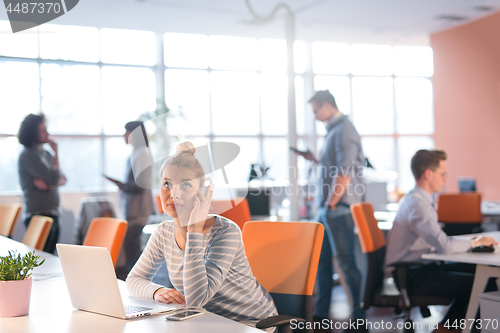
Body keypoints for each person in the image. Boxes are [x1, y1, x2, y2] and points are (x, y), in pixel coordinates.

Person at [126, 141, 277, 328]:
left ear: (203, 191)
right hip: (206, 321)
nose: (174, 193)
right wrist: (156, 291)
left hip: (250, 322)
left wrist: (194, 230)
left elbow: (197, 298)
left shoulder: (225, 232)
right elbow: (133, 280)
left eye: (186, 185)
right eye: (167, 184)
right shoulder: (163, 232)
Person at [385, 149, 498, 333]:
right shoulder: (418, 205)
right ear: (428, 174)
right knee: (484, 284)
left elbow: (439, 240)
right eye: (443, 174)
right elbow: (444, 245)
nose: (445, 179)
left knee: (482, 276)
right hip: (413, 276)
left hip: (418, 269)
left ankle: (445, 329)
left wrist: (474, 242)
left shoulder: (418, 200)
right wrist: (475, 242)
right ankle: (449, 330)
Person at [295, 90, 366, 331]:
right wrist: (315, 161)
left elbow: (345, 171)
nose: (315, 116)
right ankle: (320, 316)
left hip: (337, 208)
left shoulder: (344, 129)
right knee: (322, 264)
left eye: (316, 110)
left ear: (327, 105)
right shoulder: (334, 131)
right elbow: (334, 166)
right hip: (327, 208)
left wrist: (332, 202)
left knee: (346, 265)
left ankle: (359, 319)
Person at [105, 121, 155, 280]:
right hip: (133, 209)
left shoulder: (142, 153)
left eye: (126, 132)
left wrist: (122, 185)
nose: (123, 136)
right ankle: (137, 281)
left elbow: (142, 184)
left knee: (132, 248)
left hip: (138, 210)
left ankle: (137, 282)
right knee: (132, 247)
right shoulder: (135, 153)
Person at [18, 113, 66, 254]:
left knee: (50, 257)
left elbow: (62, 178)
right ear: (33, 133)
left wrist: (50, 185)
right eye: (43, 130)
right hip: (38, 213)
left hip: (53, 211)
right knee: (41, 258)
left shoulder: (46, 154)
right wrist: (54, 181)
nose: (48, 133)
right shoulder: (28, 155)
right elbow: (55, 178)